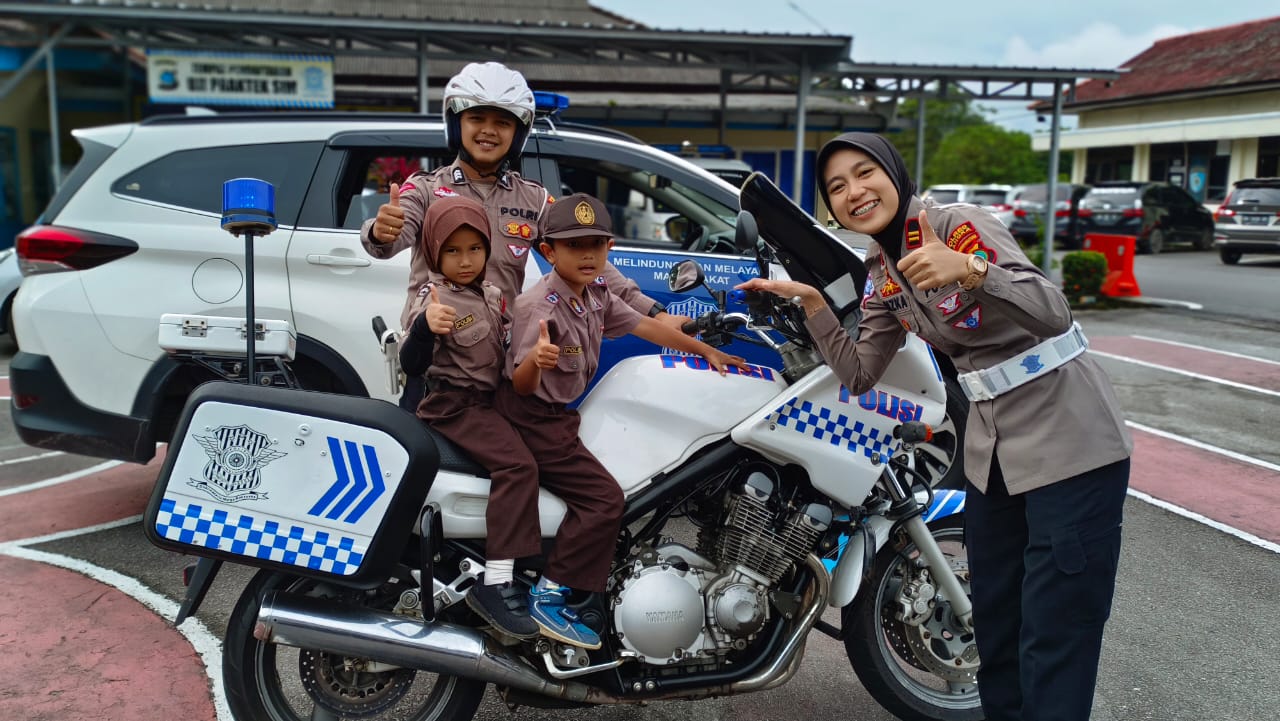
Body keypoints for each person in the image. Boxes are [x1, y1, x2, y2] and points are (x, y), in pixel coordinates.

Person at [736, 132, 1132, 721]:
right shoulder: (881, 272)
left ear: (895, 173)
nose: (855, 192)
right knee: (996, 618)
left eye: (864, 172)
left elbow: (1054, 310)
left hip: (1069, 441)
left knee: (1056, 626)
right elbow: (861, 372)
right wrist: (813, 306)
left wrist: (972, 270)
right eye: (837, 187)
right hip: (993, 453)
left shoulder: (956, 224)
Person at [360, 61, 687, 409]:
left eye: (502, 122)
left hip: (498, 363)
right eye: (477, 119)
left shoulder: (532, 199)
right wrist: (382, 231)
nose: (489, 131)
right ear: (457, 124)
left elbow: (583, 258)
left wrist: (655, 313)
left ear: (519, 132)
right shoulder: (426, 189)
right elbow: (389, 240)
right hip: (438, 369)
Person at [500, 193, 746, 649]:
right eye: (575, 246)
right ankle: (549, 595)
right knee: (605, 499)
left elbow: (644, 326)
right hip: (534, 420)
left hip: (559, 416)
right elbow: (518, 384)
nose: (589, 254)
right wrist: (536, 360)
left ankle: (595, 589)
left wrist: (707, 351)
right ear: (548, 251)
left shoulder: (593, 294)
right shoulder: (541, 307)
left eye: (597, 243)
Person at [396, 195, 541, 640]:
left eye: (474, 249)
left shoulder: (493, 293)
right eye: (452, 251)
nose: (464, 260)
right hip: (453, 404)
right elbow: (412, 362)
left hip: (490, 397)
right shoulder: (433, 297)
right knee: (518, 467)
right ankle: (496, 583)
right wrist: (424, 327)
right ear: (434, 251)